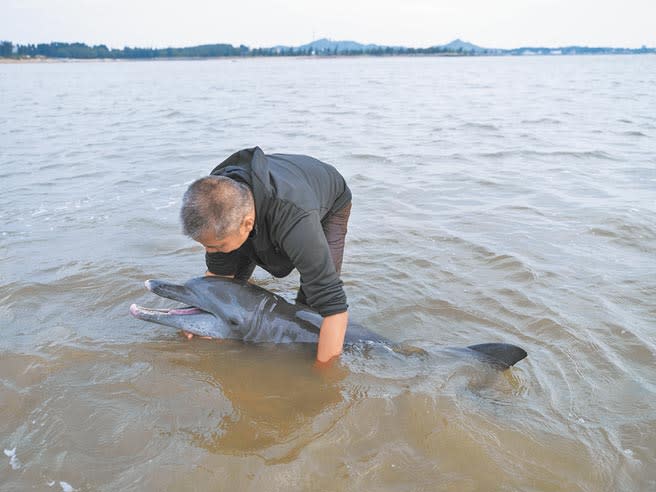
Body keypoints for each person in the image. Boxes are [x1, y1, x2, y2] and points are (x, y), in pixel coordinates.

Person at [180, 147, 352, 363]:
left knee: (313, 306)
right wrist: (197, 317)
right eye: (206, 246)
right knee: (233, 270)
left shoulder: (296, 220)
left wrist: (323, 376)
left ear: (247, 224)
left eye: (217, 245)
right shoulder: (215, 201)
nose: (209, 252)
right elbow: (219, 278)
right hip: (267, 197)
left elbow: (334, 308)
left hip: (329, 196)